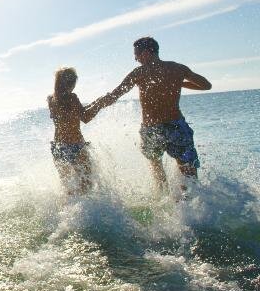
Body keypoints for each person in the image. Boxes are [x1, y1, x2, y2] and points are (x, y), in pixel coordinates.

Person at [85, 36, 212, 191]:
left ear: (145, 53)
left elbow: (114, 96)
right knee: (189, 173)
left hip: (151, 129)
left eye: (137, 55)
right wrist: (179, 82)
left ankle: (165, 203)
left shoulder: (139, 72)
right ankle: (194, 208)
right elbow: (206, 85)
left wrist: (94, 106)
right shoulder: (177, 68)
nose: (135, 58)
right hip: (176, 125)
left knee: (158, 172)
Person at [48, 67, 97, 195]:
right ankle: (89, 213)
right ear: (71, 83)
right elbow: (85, 117)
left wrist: (94, 103)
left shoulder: (51, 100)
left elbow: (71, 113)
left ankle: (69, 211)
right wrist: (100, 104)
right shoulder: (73, 98)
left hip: (59, 148)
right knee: (87, 185)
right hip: (76, 146)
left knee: (68, 188)